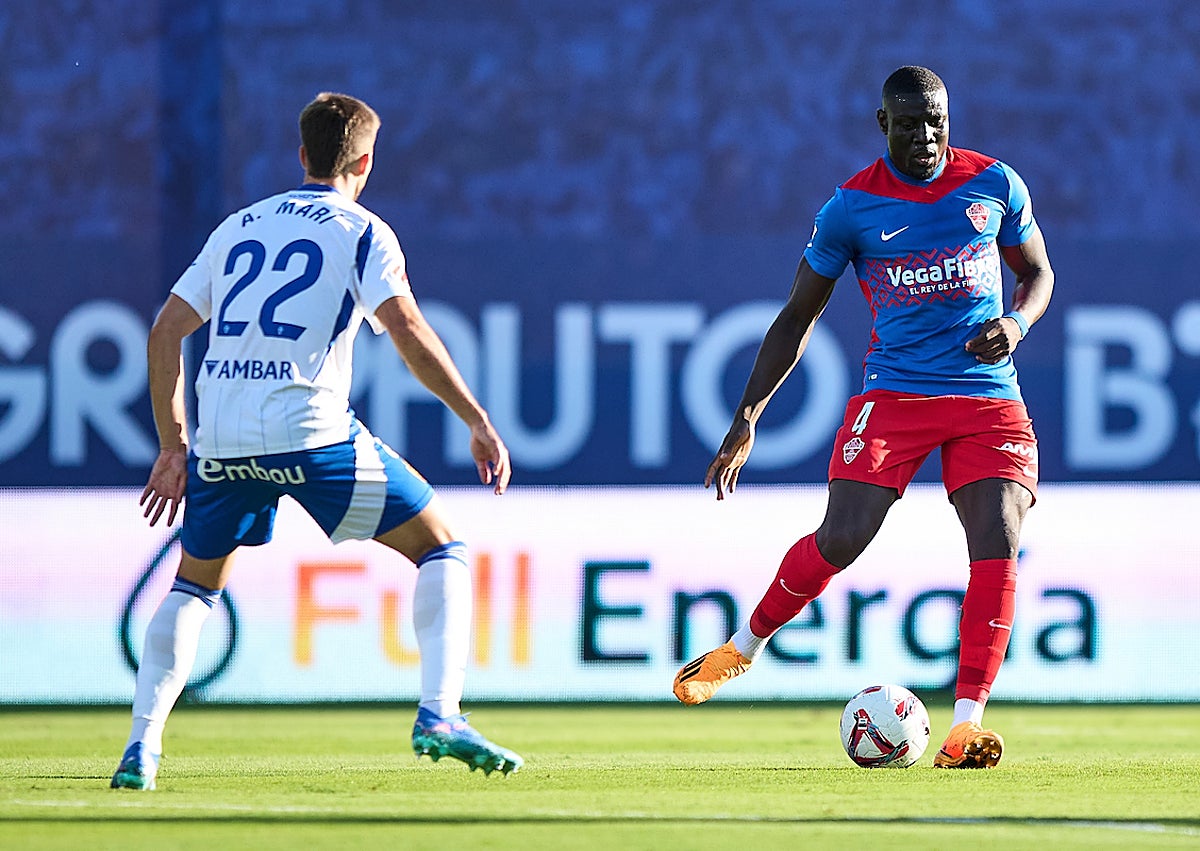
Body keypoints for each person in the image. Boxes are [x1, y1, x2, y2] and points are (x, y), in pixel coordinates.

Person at [111, 92, 523, 790]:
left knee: (194, 585)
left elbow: (165, 331)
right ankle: (440, 713)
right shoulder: (364, 231)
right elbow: (407, 330)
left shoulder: (238, 226)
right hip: (309, 431)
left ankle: (139, 748)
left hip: (224, 436)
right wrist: (476, 417)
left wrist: (173, 444)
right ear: (364, 162)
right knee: (441, 546)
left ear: (302, 154)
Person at [672, 66, 1054, 769]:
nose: (926, 136)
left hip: (987, 394)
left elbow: (1037, 274)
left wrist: (1017, 324)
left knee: (999, 537)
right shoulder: (851, 208)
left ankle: (965, 726)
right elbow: (796, 317)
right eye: (909, 124)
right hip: (896, 393)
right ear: (884, 125)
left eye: (936, 121)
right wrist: (747, 417)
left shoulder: (996, 183)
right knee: (843, 536)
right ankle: (742, 648)